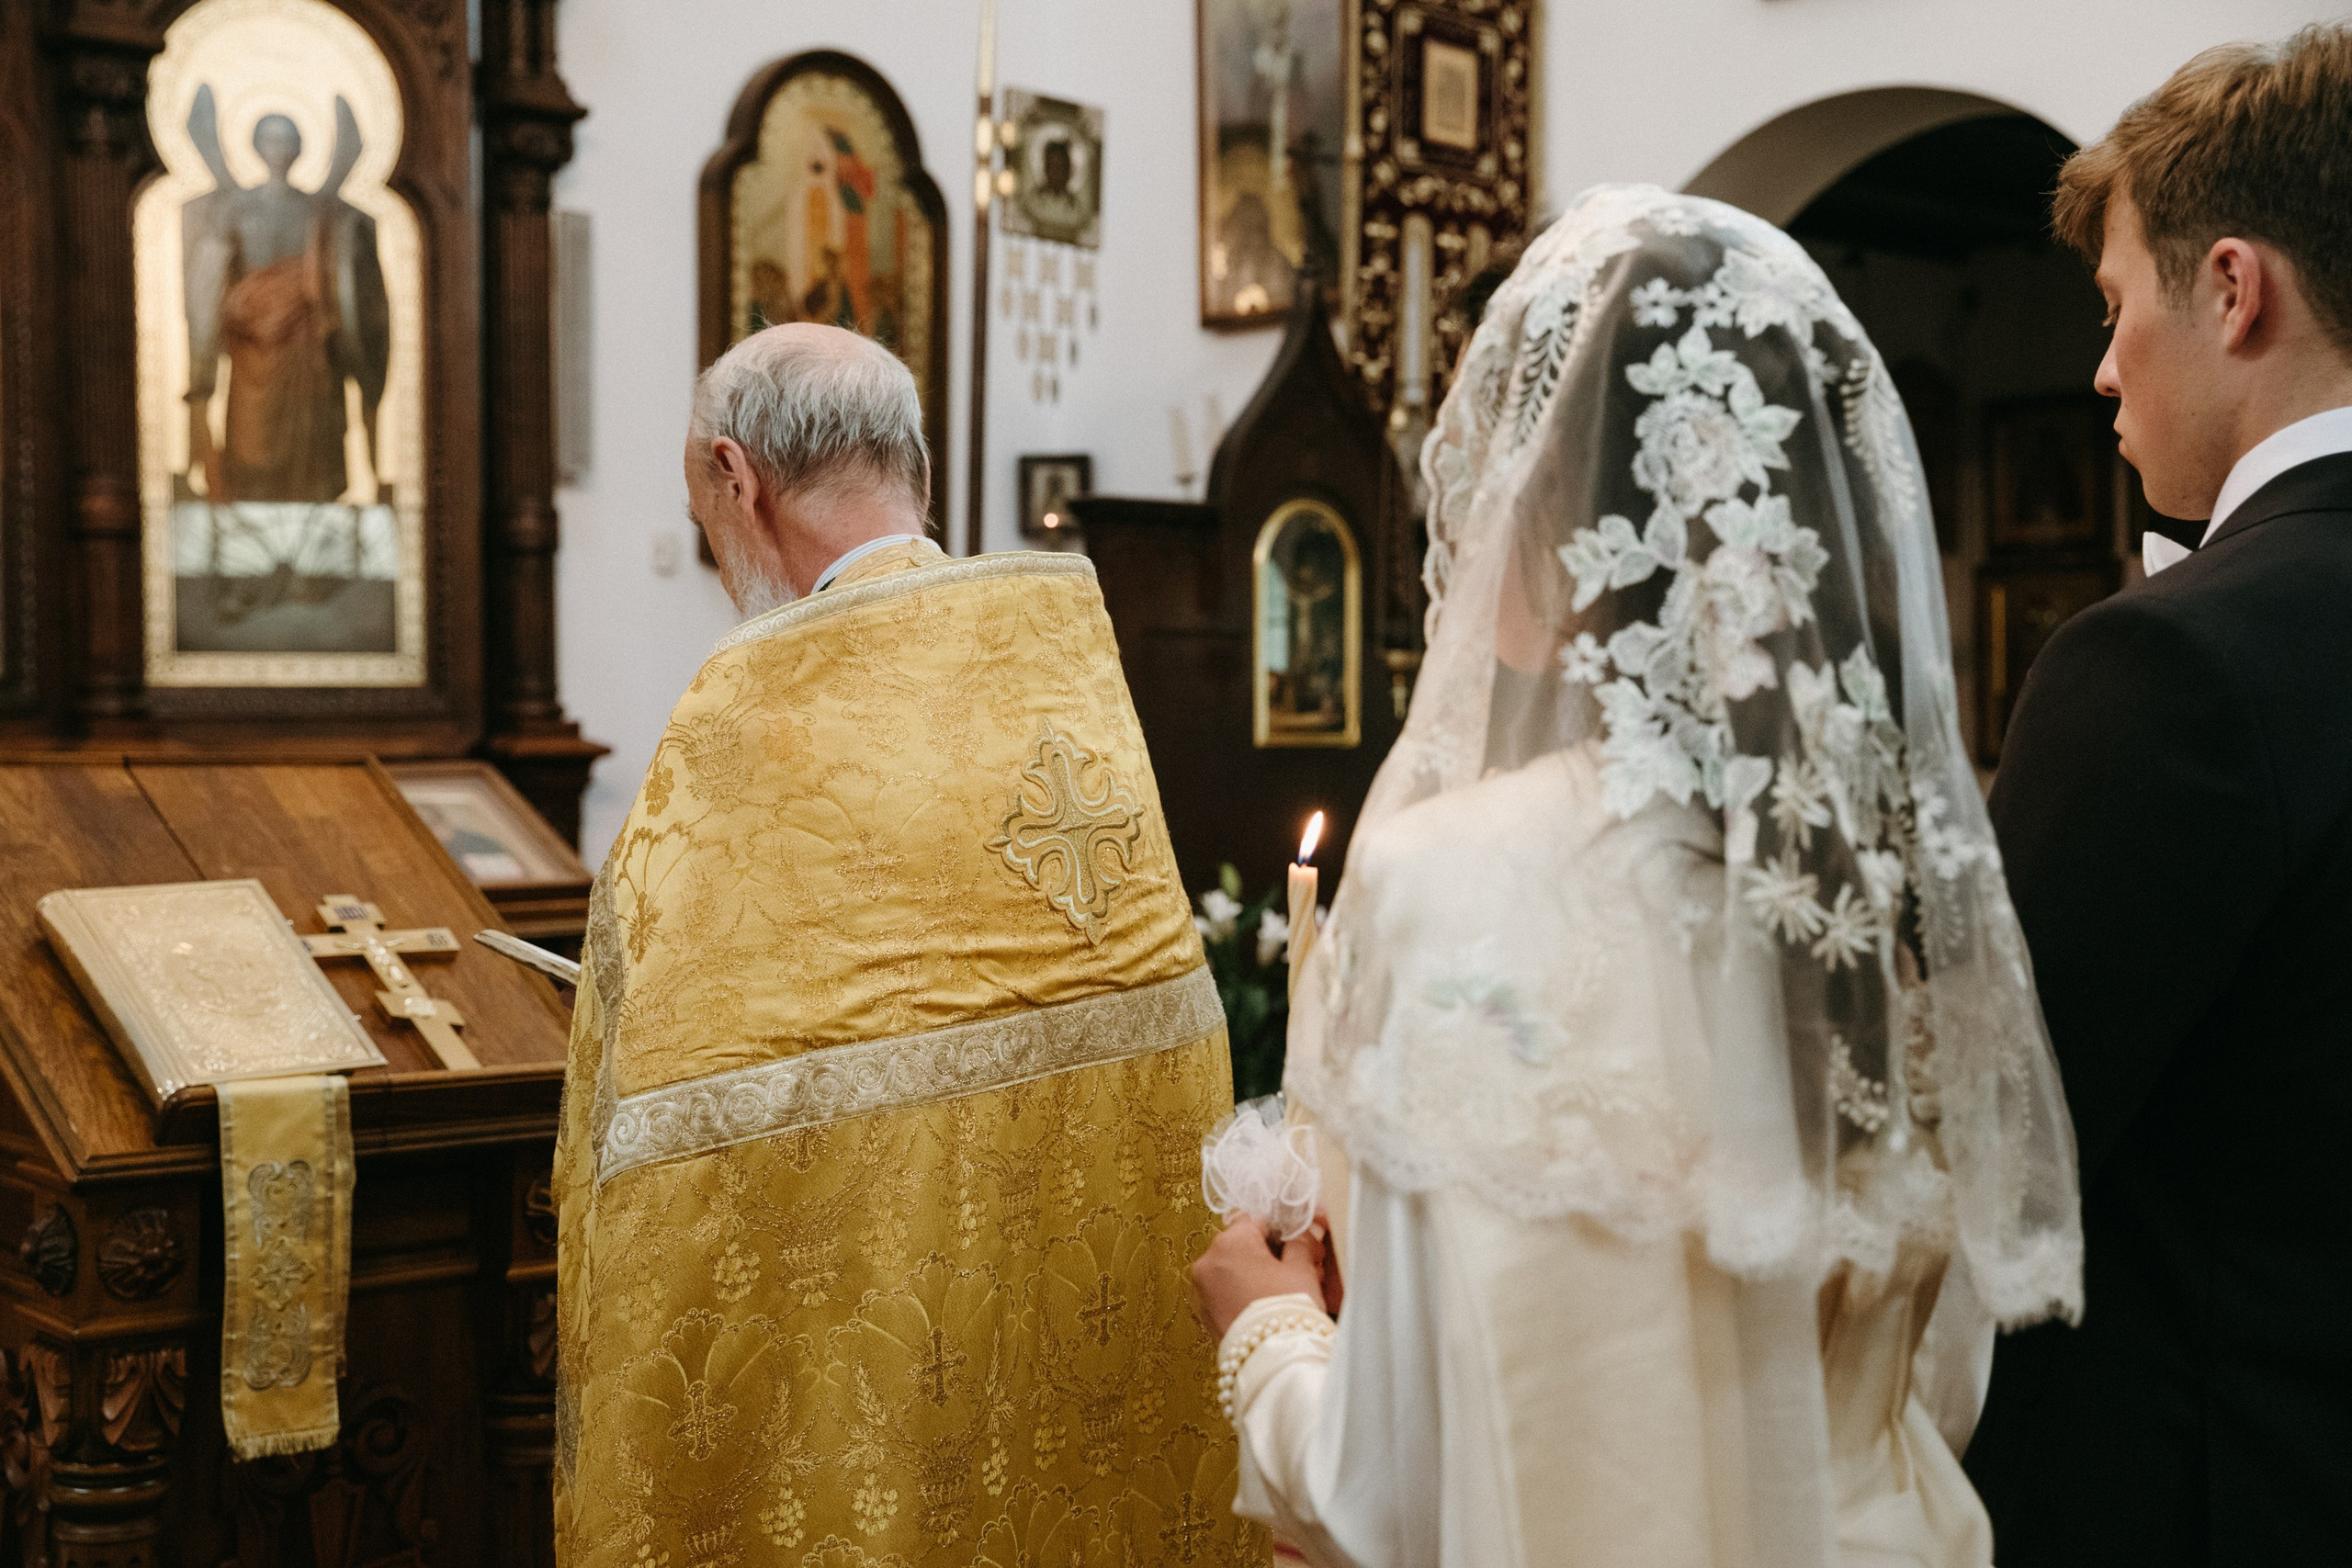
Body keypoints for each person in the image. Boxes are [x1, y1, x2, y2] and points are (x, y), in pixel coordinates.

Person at [1189, 185, 2084, 1568]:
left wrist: (1269, 1332)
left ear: (1559, 529)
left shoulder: (1455, 885)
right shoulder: (1866, 892)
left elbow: (1398, 1491)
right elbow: (1938, 1389)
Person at [551, 324, 1264, 1567]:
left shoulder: (745, 719)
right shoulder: (1062, 675)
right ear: (912, 462)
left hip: (868, 1396)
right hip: (1074, 1378)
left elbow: (640, 1110)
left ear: (738, 479)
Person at [1961, 27, 2352, 1568]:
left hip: (2218, 1490)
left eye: (2118, 308)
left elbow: (1998, 1139)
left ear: (2235, 288)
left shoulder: (2168, 670)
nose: (2105, 368)